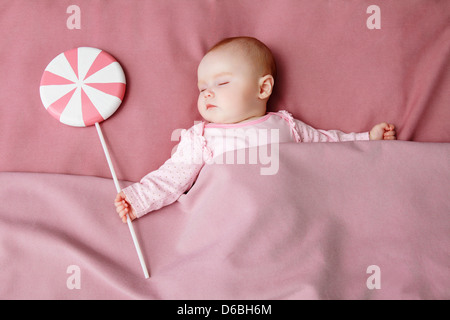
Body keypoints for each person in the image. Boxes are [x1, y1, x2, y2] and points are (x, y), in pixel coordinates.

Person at [115, 36, 396, 223]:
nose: (208, 94)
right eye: (202, 89)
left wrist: (366, 139)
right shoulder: (202, 137)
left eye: (221, 84)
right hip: (229, 218)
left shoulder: (286, 125)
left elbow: (326, 143)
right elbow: (171, 177)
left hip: (290, 213)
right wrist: (137, 199)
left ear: (263, 88)